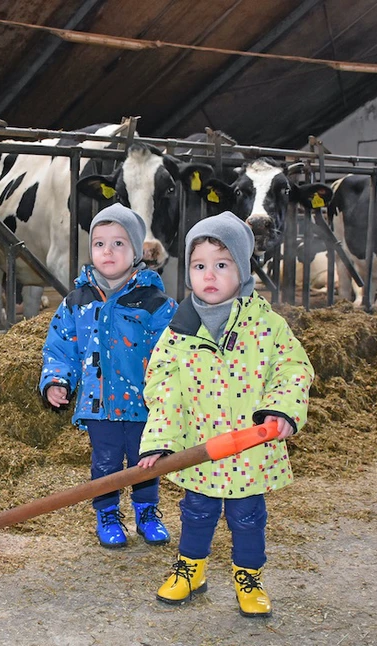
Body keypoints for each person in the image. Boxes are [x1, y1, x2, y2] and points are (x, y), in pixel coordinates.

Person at [137, 212, 314, 616]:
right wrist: (162, 441)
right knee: (196, 511)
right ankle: (190, 569)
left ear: (243, 268)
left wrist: (282, 409)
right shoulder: (179, 330)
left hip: (250, 448)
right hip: (200, 447)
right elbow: (163, 388)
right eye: (199, 266)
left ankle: (248, 577)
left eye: (222, 264)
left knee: (248, 516)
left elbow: (293, 368)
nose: (209, 275)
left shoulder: (267, 325)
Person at [40, 203, 177, 549]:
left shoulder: (154, 302)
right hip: (98, 403)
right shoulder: (76, 302)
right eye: (100, 244)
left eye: (119, 243)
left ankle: (147, 513)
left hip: (144, 403)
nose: (108, 251)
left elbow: (173, 350)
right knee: (106, 462)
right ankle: (108, 514)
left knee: (147, 461)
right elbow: (60, 349)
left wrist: (171, 392)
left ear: (135, 251)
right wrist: (56, 380)